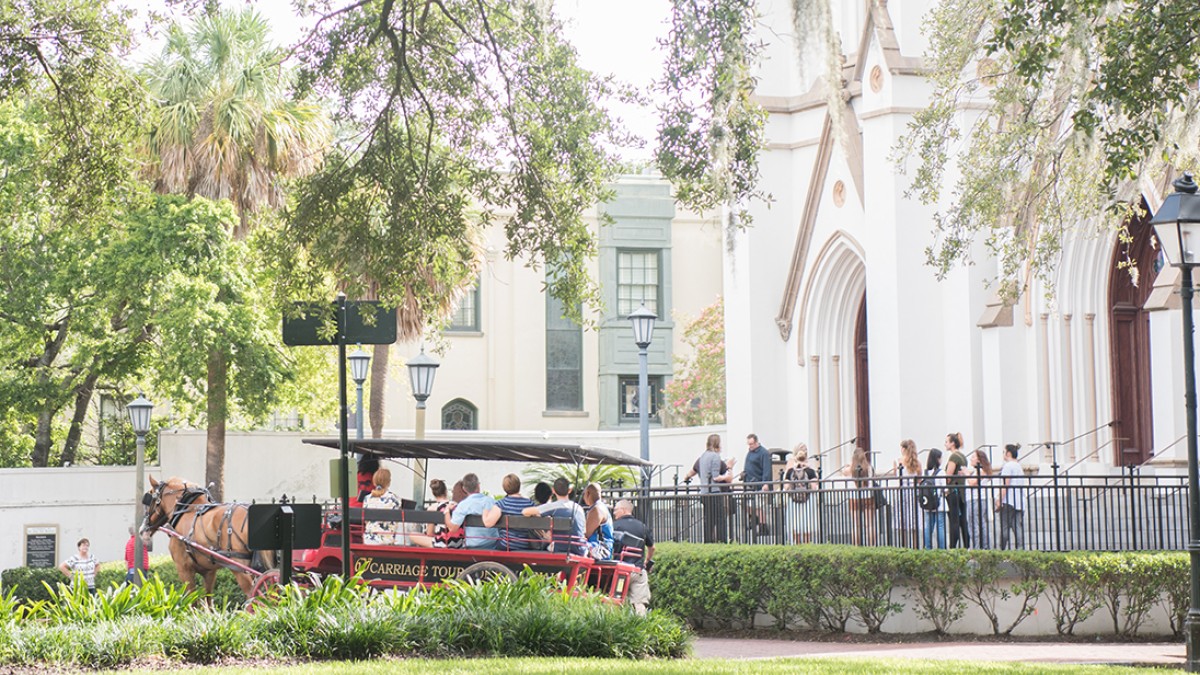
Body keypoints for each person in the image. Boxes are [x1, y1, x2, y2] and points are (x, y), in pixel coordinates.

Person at [611, 499, 655, 616]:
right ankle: (642, 629)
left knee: (615, 601)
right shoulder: (642, 526)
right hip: (638, 571)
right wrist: (647, 561)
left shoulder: (613, 526)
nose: (614, 512)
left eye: (616, 510)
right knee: (640, 603)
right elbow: (652, 548)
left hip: (620, 573)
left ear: (624, 510)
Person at [522, 477, 587, 555]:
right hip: (580, 548)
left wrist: (538, 515)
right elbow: (584, 531)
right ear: (569, 490)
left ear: (553, 490)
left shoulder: (552, 506)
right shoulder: (579, 508)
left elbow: (525, 512)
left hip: (559, 547)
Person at [446, 473, 501, 549]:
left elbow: (452, 529)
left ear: (464, 489)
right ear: (478, 486)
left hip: (472, 546)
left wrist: (446, 512)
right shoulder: (491, 502)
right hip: (492, 545)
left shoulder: (463, 505)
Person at [696, 434, 733, 543]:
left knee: (709, 520)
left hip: (704, 492)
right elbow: (716, 477)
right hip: (714, 492)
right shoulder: (715, 456)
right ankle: (722, 541)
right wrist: (727, 475)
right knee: (720, 519)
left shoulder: (703, 456)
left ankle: (708, 541)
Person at [891, 439, 923, 549]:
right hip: (913, 492)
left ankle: (904, 547)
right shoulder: (917, 462)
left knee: (902, 522)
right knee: (913, 521)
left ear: (903, 449)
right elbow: (919, 479)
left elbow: (896, 476)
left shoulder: (898, 461)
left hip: (902, 491)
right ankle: (915, 548)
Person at [783, 443, 818, 544]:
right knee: (807, 523)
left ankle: (797, 545)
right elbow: (814, 486)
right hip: (807, 499)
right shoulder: (810, 471)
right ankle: (806, 546)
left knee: (795, 523)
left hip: (794, 500)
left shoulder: (790, 471)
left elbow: (786, 487)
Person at [996, 443, 1027, 550]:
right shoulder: (1018, 466)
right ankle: (1020, 548)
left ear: (1008, 453)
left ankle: (1002, 549)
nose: (1003, 454)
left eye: (1004, 452)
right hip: (1019, 500)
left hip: (1009, 500)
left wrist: (999, 499)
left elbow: (1006, 484)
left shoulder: (1008, 466)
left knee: (1004, 526)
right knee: (1017, 526)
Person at [943, 432, 971, 549]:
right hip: (961, 492)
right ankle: (966, 545)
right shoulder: (963, 457)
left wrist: (944, 488)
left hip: (953, 491)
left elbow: (948, 476)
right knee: (962, 520)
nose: (945, 444)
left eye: (946, 442)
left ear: (952, 443)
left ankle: (953, 547)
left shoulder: (953, 457)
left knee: (954, 520)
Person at [362, 467, 402, 545]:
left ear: (374, 482)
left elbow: (366, 520)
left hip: (368, 539)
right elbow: (398, 520)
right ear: (389, 482)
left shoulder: (367, 498)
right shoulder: (394, 499)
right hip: (386, 540)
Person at [496, 473, 536, 550]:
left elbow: (489, 522)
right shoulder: (529, 503)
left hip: (505, 544)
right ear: (519, 486)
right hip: (524, 544)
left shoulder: (502, 504)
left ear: (504, 488)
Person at [744, 433, 773, 536]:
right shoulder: (750, 453)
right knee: (747, 506)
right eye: (749, 444)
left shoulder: (763, 453)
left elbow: (766, 469)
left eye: (751, 444)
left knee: (759, 507)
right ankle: (755, 520)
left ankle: (763, 526)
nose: (750, 446)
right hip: (749, 484)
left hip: (759, 483)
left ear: (756, 442)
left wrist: (765, 483)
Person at [411, 478, 454, 548]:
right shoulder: (454, 505)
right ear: (446, 491)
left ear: (433, 494)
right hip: (456, 543)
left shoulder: (432, 508)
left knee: (412, 535)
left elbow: (430, 533)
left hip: (441, 543)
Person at [847, 446, 877, 546]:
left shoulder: (850, 469)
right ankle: (871, 547)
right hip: (868, 497)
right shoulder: (869, 468)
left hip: (854, 498)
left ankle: (856, 547)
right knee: (870, 524)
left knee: (856, 525)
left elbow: (843, 472)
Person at [966, 449, 993, 549]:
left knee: (975, 524)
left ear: (979, 460)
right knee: (978, 523)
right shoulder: (979, 471)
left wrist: (966, 474)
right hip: (976, 499)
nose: (971, 459)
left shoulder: (981, 471)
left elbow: (972, 483)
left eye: (973, 457)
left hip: (976, 499)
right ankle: (982, 546)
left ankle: (979, 547)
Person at [923, 448, 948, 549]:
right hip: (939, 503)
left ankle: (928, 548)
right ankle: (941, 550)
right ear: (937, 459)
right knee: (940, 526)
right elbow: (945, 489)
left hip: (928, 504)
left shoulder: (925, 473)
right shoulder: (941, 473)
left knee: (928, 526)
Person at [582, 482, 614, 560]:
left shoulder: (597, 509)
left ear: (587, 494)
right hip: (597, 547)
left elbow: (586, 533)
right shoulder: (600, 507)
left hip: (600, 549)